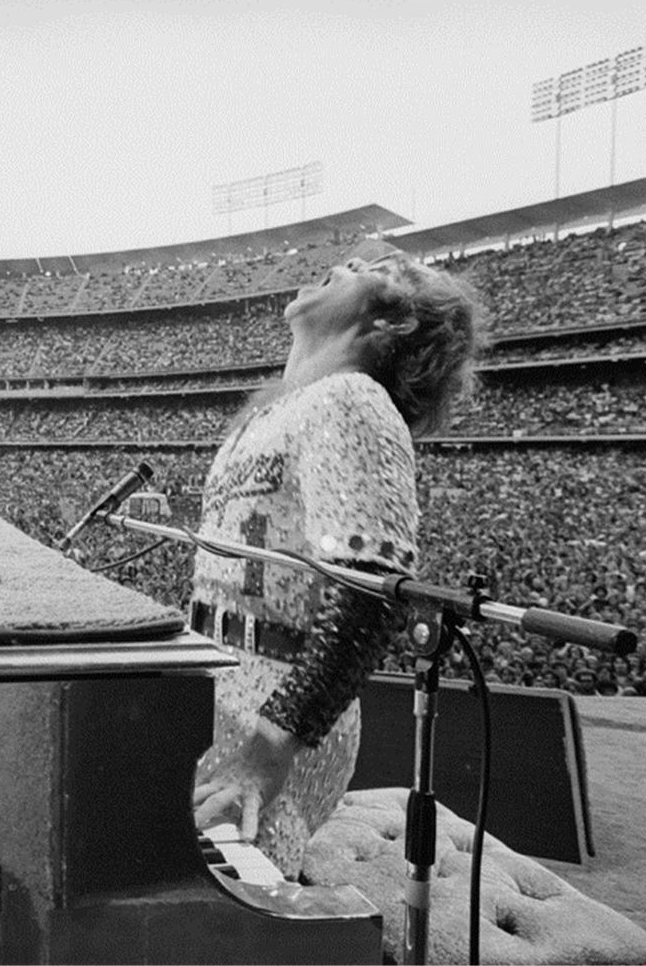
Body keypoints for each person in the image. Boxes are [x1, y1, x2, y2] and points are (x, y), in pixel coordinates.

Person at [189, 241, 489, 879]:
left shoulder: (352, 400)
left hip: (270, 714)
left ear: (388, 321)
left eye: (367, 271)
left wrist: (270, 753)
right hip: (218, 689)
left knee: (233, 899)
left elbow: (371, 591)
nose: (342, 264)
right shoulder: (277, 411)